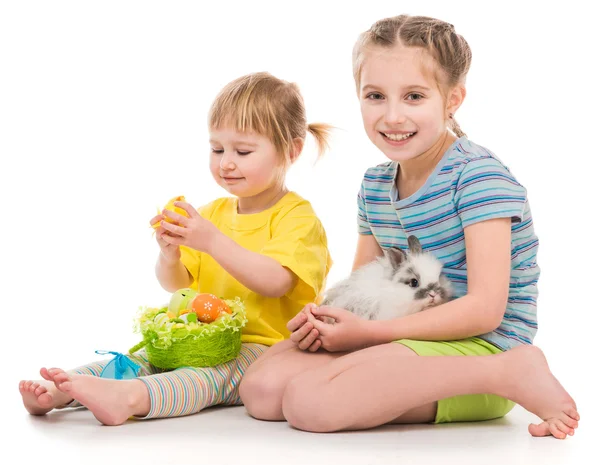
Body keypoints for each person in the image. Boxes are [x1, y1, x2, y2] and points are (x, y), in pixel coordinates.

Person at [239, 15, 579, 440]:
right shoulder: (376, 184)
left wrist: (372, 333)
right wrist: (328, 320)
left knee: (310, 403)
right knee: (262, 390)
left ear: (452, 99)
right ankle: (373, 375)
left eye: (414, 96)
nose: (393, 116)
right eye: (376, 96)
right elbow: (364, 284)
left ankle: (507, 374)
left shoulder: (478, 178)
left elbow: (485, 309)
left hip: (481, 346)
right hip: (401, 335)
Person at [19, 72, 333, 426]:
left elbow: (276, 281)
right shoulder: (214, 212)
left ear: (291, 150)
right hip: (197, 335)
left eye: (243, 151)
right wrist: (170, 254)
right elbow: (176, 285)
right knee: (145, 357)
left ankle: (132, 398)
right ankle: (63, 389)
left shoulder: (297, 218)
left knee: (207, 378)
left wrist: (211, 241)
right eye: (217, 149)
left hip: (262, 347)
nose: (226, 162)